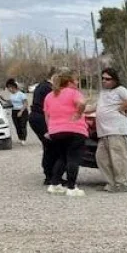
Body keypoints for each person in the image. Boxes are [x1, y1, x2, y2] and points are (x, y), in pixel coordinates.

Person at [43, 69, 89, 197]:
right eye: (76, 80)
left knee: (62, 158)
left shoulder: (49, 96)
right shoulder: (73, 92)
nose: (77, 82)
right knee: (73, 158)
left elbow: (47, 116)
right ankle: (71, 187)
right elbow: (82, 103)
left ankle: (55, 184)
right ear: (69, 82)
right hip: (75, 130)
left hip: (55, 131)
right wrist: (79, 113)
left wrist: (50, 129)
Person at [89, 68, 127, 192]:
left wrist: (121, 108)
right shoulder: (103, 93)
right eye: (103, 78)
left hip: (116, 130)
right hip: (103, 132)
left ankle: (122, 184)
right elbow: (94, 107)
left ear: (114, 80)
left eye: (108, 79)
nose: (104, 81)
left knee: (118, 158)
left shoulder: (120, 90)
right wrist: (78, 109)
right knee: (102, 158)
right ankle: (111, 183)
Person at [29, 67, 58, 186]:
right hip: (41, 118)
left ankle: (51, 175)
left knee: (49, 146)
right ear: (54, 76)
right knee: (50, 146)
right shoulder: (48, 88)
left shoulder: (42, 86)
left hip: (36, 117)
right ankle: (50, 176)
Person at [6, 79, 29, 145]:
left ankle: (23, 139)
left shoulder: (21, 94)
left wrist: (21, 111)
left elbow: (25, 103)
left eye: (9, 88)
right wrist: (3, 99)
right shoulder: (11, 95)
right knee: (17, 126)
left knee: (22, 125)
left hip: (22, 111)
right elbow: (11, 102)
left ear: (13, 87)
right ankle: (20, 138)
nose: (8, 89)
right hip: (14, 111)